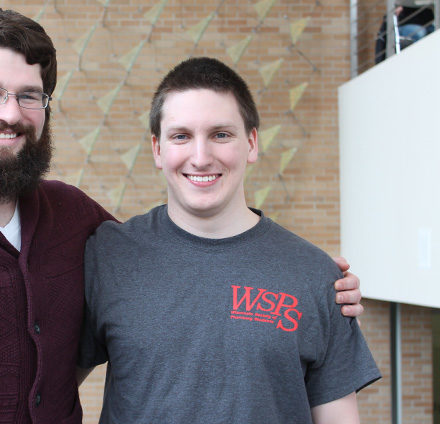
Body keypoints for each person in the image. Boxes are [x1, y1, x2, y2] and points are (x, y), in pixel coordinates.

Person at [0, 8, 364, 424]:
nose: (9, 114)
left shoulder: (76, 220)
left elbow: (179, 256)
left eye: (29, 96)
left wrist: (311, 281)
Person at [79, 57, 380, 423]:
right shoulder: (108, 256)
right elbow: (44, 391)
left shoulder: (315, 274)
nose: (201, 157)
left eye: (221, 134)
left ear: (251, 143)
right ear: (158, 149)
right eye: (181, 136)